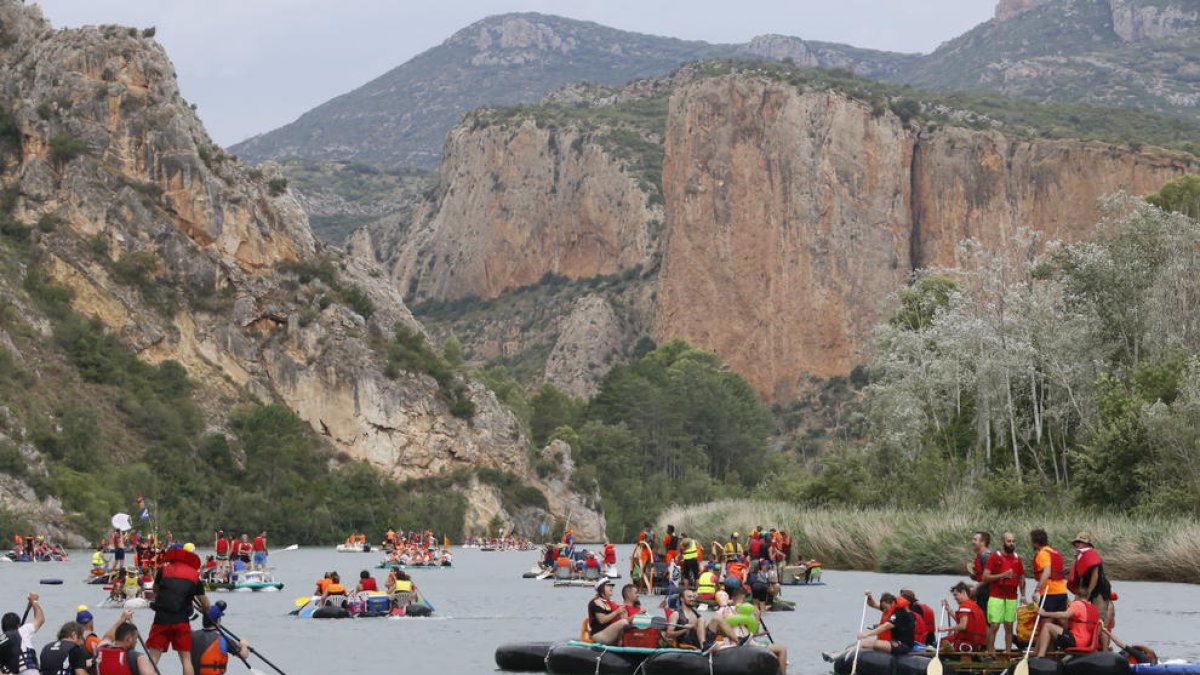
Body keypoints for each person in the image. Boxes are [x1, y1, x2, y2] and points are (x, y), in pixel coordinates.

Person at [147, 543, 208, 675]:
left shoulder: (162, 570)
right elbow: (205, 603)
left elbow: (155, 590)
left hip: (161, 619)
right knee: (186, 659)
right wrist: (204, 611)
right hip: (181, 620)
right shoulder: (195, 576)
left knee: (153, 658)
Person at [824, 592, 915, 662]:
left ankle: (836, 656)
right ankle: (840, 656)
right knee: (863, 645)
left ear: (892, 603)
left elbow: (885, 627)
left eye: (886, 608)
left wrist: (866, 634)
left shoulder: (900, 614)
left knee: (865, 643)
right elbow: (873, 604)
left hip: (903, 645)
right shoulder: (893, 610)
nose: (885, 610)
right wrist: (869, 597)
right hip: (894, 642)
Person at [1067, 532, 1112, 650]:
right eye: (1076, 542)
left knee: (1100, 622)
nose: (1077, 544)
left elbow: (1095, 576)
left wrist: (1088, 595)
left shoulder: (1091, 555)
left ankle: (1105, 652)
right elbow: (1080, 577)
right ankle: (1090, 646)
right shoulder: (1080, 556)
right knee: (1088, 620)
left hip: (1100, 591)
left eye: (1080, 542)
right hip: (1088, 591)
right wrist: (1078, 597)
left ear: (1086, 544)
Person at [982, 531, 1025, 652]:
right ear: (1003, 542)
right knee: (994, 625)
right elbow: (985, 577)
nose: (1011, 543)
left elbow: (1021, 578)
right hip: (996, 595)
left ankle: (1008, 653)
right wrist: (1002, 575)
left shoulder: (1017, 559)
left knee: (1009, 626)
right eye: (1009, 541)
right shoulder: (995, 556)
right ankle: (990, 652)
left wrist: (1023, 595)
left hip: (1012, 597)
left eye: (1013, 541)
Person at [664, 588, 744, 651]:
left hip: (702, 637)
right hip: (689, 641)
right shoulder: (676, 614)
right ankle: (704, 646)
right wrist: (685, 629)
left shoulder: (694, 612)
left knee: (717, 618)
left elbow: (701, 628)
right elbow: (669, 634)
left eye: (693, 596)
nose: (692, 599)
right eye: (689, 597)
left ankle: (738, 640)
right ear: (681, 599)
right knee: (701, 620)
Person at [1033, 592, 1099, 657]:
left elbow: (1065, 615)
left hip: (1076, 641)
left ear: (1076, 596)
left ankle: (1040, 657)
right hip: (1086, 642)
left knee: (1047, 626)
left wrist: (1045, 613)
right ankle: (1036, 654)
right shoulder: (1093, 607)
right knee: (1049, 630)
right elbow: (1064, 623)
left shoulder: (1078, 604)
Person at [189, 604, 249, 675]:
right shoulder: (224, 639)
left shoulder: (191, 635)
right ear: (218, 620)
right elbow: (244, 655)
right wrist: (244, 645)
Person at [95, 610, 155, 675]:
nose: (136, 642)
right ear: (129, 639)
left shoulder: (101, 650)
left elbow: (108, 637)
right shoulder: (138, 657)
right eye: (135, 638)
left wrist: (122, 618)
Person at [1030, 528, 1068, 624]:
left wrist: (1037, 590)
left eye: (1031, 541)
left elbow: (1047, 572)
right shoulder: (1053, 552)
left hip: (1050, 593)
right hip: (1062, 592)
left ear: (1036, 543)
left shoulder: (1042, 554)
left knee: (1046, 624)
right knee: (1061, 624)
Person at [1, 592, 44, 675]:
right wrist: (34, 602)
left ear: (3, 629)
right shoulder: (23, 630)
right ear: (18, 626)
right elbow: (40, 619)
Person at [939, 582, 987, 652]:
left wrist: (945, 628)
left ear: (963, 592)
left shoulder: (964, 606)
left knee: (942, 642)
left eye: (956, 595)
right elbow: (963, 621)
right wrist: (949, 609)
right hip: (977, 643)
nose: (954, 598)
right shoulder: (974, 605)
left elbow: (963, 626)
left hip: (967, 643)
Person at [586, 580, 630, 645]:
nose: (611, 587)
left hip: (609, 633)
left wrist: (624, 614)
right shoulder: (596, 602)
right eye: (608, 585)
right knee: (623, 622)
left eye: (612, 586)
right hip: (598, 635)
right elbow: (602, 620)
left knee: (628, 622)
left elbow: (622, 618)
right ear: (601, 588)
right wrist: (617, 612)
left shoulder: (611, 603)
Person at [967, 531, 993, 609]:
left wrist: (976, 587)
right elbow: (982, 576)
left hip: (988, 593)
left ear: (982, 542)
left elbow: (990, 577)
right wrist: (974, 576)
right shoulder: (979, 556)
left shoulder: (986, 556)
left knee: (985, 619)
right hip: (982, 592)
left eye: (975, 540)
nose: (973, 542)